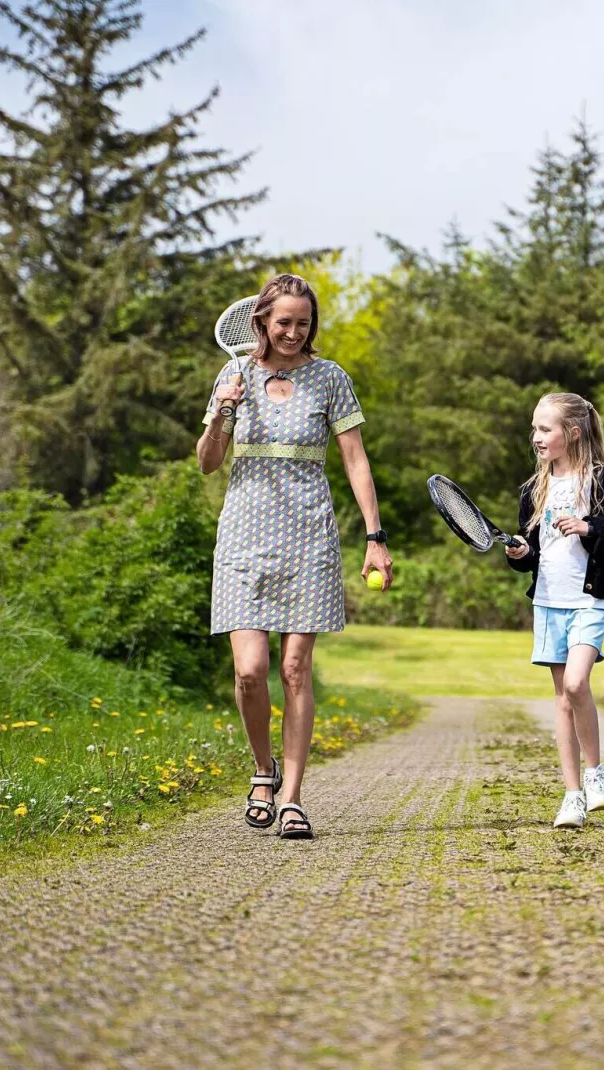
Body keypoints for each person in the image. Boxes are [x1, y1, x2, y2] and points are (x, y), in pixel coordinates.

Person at [197, 273, 394, 840]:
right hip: (242, 539)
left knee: (294, 669)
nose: (292, 331)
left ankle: (292, 797)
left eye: (302, 323)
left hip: (308, 537)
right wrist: (221, 413)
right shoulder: (232, 375)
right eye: (283, 321)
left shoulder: (331, 378)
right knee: (250, 672)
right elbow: (209, 462)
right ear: (261, 321)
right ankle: (263, 769)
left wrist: (374, 537)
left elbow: (355, 460)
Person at [505, 392, 604, 829]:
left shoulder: (601, 481)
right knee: (562, 698)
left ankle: (595, 774)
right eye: (534, 428)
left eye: (544, 429)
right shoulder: (534, 489)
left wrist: (591, 528)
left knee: (576, 681)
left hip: (589, 598)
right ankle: (572, 796)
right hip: (549, 602)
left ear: (572, 433)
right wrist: (520, 552)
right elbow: (533, 550)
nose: (536, 437)